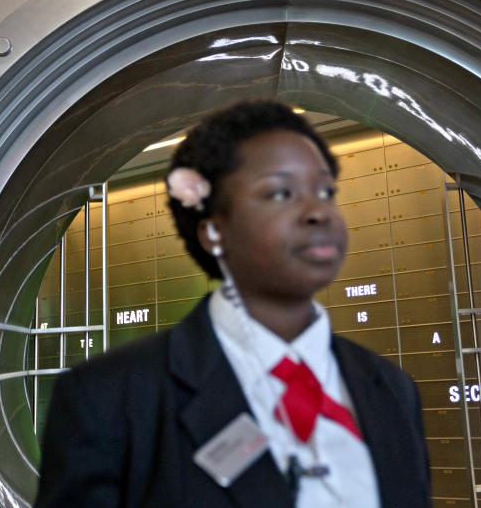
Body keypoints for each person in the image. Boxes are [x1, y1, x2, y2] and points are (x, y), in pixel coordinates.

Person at [35, 100, 431, 507]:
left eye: (325, 190)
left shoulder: (392, 391)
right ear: (213, 231)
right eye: (281, 193)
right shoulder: (106, 400)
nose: (317, 211)